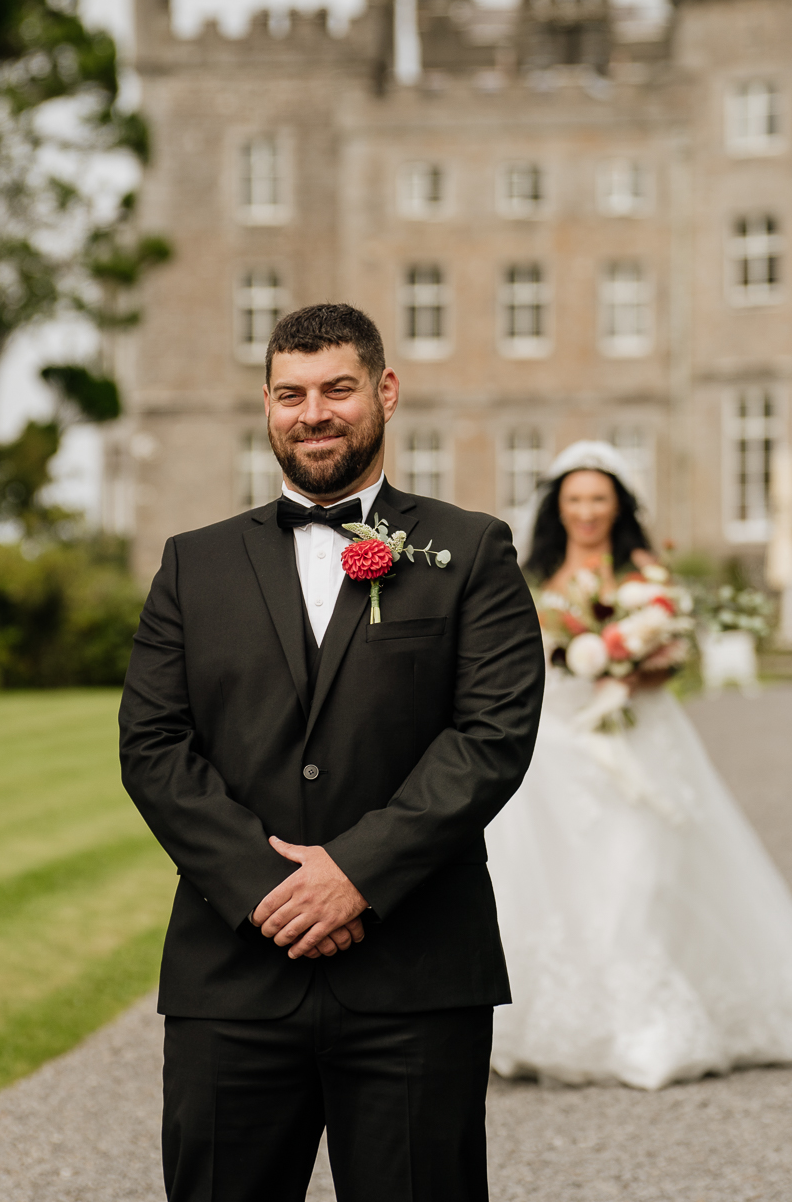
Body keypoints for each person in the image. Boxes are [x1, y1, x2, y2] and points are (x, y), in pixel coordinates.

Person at [118, 303, 546, 1202]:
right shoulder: (192, 565)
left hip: (417, 975)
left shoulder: (468, 552)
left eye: (337, 389)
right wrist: (270, 892)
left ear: (385, 392)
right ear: (267, 406)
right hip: (232, 976)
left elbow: (492, 736)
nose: (313, 413)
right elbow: (153, 746)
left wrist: (355, 874)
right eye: (290, 394)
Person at [486, 440, 792, 1090]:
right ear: (558, 508)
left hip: (637, 742)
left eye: (598, 499)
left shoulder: (646, 573)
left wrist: (623, 661)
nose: (587, 511)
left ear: (617, 506)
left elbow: (670, 659)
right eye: (575, 500)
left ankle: (647, 1029)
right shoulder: (537, 575)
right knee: (556, 883)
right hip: (556, 753)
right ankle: (553, 1027)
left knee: (636, 877)